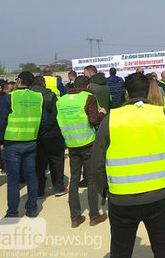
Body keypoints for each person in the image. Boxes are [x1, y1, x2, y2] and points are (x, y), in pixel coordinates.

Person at [92, 73, 165, 258]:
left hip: (121, 199)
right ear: (149, 91)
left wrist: (104, 189)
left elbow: (97, 162)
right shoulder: (162, 116)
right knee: (164, 247)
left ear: (126, 93)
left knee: (121, 250)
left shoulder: (111, 119)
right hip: (159, 195)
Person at [56, 75, 108, 228]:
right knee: (91, 179)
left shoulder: (61, 100)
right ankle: (94, 215)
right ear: (87, 86)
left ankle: (75, 217)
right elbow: (93, 120)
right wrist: (102, 113)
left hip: (72, 144)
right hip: (88, 143)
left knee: (74, 179)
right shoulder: (89, 97)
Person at [0, 72, 43, 218]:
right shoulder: (38, 97)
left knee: (13, 180)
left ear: (19, 81)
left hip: (12, 143)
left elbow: (1, 121)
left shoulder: (10, 97)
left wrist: (0, 141)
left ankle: (12, 213)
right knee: (31, 176)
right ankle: (32, 209)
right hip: (31, 142)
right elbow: (44, 120)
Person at [31, 76, 67, 198]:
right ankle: (58, 188)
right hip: (52, 133)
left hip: (34, 134)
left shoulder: (28, 97)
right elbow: (56, 114)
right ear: (43, 84)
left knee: (38, 163)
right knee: (56, 160)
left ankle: (40, 191)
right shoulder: (50, 95)